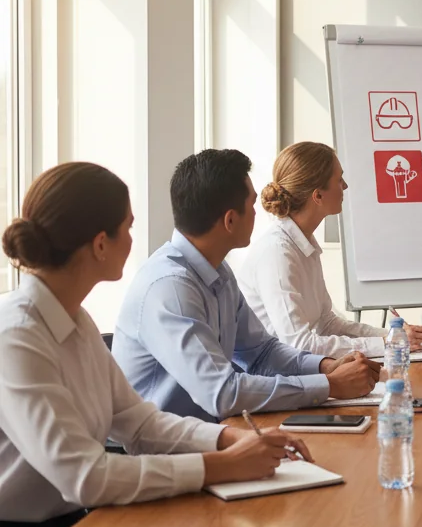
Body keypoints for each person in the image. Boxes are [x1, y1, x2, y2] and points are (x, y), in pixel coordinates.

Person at [0, 163, 311, 527]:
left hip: (75, 524)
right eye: (128, 228)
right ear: (100, 244)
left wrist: (230, 439)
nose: (134, 239)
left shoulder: (75, 319)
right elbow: (86, 477)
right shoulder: (17, 336)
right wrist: (221, 465)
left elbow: (139, 423)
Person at [113, 149, 380, 422]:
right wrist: (330, 385)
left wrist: (326, 367)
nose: (258, 213)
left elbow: (262, 353)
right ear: (230, 220)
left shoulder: (218, 271)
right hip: (162, 450)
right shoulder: (171, 288)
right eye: (252, 206)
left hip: (207, 431)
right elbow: (222, 393)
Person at [238, 141, 422, 357]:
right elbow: (299, 344)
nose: (345, 186)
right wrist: (386, 343)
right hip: (273, 377)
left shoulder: (303, 243)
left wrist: (393, 334)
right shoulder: (277, 253)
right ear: (318, 196)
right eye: (339, 179)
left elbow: (327, 323)